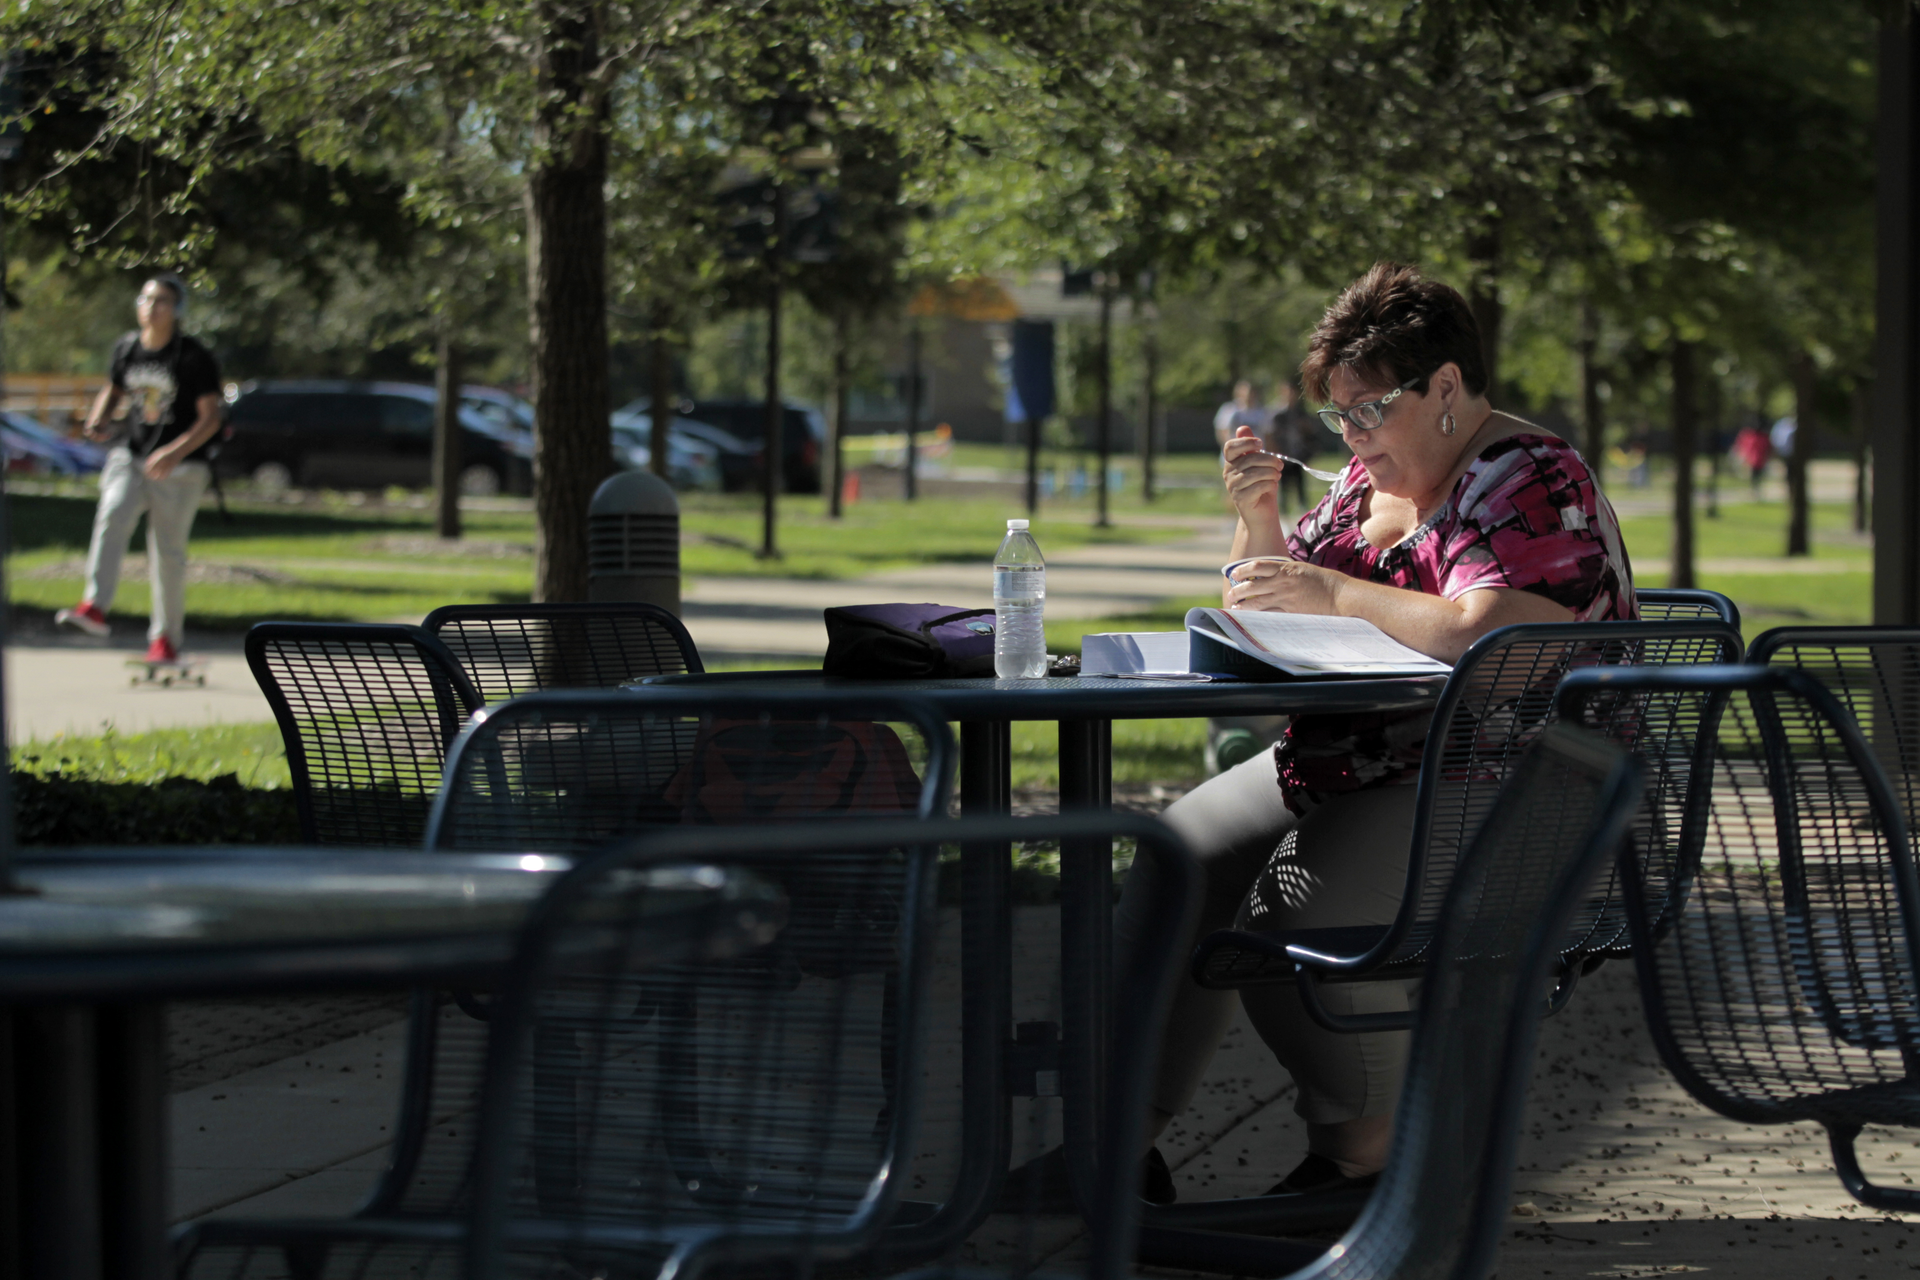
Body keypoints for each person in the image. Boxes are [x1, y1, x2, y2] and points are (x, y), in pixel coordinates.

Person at [1116, 262, 1635, 1201]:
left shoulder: (1528, 474)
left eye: (1370, 409)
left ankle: (1369, 1165)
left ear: (1445, 387)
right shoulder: (1364, 485)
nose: (1352, 435)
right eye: (1339, 417)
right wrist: (1259, 519)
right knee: (1175, 855)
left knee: (1293, 916)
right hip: (1371, 759)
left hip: (1520, 776)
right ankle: (1115, 1145)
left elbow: (1500, 636)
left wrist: (1341, 594)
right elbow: (1269, 603)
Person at [54, 275, 224, 664]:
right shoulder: (128, 347)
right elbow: (113, 389)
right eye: (147, 299)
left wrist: (174, 452)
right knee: (112, 513)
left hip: (181, 467)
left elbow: (211, 418)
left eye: (162, 300)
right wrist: (98, 419)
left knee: (167, 554)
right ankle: (94, 608)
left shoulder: (192, 357)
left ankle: (165, 640)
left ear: (176, 310)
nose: (152, 307)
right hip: (131, 455)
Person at [1266, 380, 1310, 512]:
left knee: (1300, 488)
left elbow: (1308, 432)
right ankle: (1283, 517)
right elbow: (1270, 434)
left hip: (1297, 455)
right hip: (1283, 455)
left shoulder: (1300, 412)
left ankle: (1302, 514)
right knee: (1282, 489)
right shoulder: (1276, 413)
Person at [1212, 380, 1271, 455]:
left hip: (1257, 455)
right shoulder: (1229, 409)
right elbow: (1222, 432)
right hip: (1234, 455)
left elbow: (1268, 436)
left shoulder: (1262, 412)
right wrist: (1231, 448)